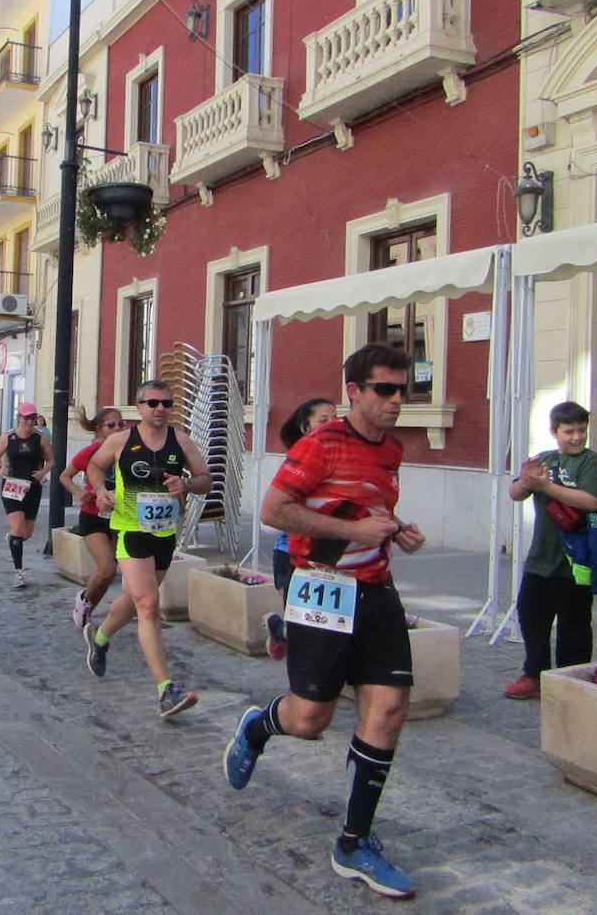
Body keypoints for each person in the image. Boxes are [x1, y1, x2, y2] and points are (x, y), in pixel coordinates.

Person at [222, 344, 426, 899]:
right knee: (311, 720)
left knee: (388, 708)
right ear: (355, 391)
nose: (397, 400)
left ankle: (354, 842)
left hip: (377, 591)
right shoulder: (322, 444)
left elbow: (363, 510)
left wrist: (395, 530)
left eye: (404, 389)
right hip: (323, 590)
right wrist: (353, 535)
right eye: (385, 389)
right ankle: (258, 726)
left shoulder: (393, 449)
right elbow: (274, 511)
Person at [85, 379, 212, 718]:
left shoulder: (181, 442)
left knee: (134, 599)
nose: (160, 409)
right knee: (149, 603)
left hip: (164, 532)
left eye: (166, 404)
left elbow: (206, 479)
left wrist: (185, 483)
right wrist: (101, 491)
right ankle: (165, 690)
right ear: (138, 407)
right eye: (153, 403)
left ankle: (99, 636)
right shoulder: (121, 440)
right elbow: (94, 466)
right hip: (130, 529)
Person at [503, 401, 597, 700]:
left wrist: (546, 487)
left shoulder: (591, 462)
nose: (576, 437)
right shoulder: (545, 460)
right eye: (569, 431)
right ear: (554, 432)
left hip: (578, 561)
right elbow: (515, 493)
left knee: (574, 623)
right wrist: (527, 481)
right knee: (531, 615)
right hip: (541, 558)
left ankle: (571, 680)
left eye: (581, 431)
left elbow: (591, 501)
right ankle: (534, 675)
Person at [265, 397, 338, 660]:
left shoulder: (341, 462)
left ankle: (283, 633)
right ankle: (283, 633)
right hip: (292, 555)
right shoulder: (297, 462)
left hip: (329, 557)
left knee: (323, 629)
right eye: (324, 421)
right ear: (305, 428)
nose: (333, 425)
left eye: (336, 419)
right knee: (303, 630)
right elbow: (272, 513)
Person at [59, 405, 127, 626]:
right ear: (99, 429)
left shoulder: (127, 451)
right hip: (93, 518)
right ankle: (85, 601)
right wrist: (81, 493)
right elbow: (65, 476)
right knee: (107, 568)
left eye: (121, 424)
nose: (118, 428)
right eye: (112, 425)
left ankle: (88, 603)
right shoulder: (91, 452)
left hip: (121, 518)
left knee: (114, 571)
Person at [0, 401, 54, 588]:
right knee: (17, 528)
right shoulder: (8, 437)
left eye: (33, 418)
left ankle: (13, 539)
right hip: (12, 485)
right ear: (19, 418)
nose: (29, 422)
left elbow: (51, 460)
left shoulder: (40, 438)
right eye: (26, 418)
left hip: (33, 486)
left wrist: (43, 472)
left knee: (26, 533)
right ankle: (19, 571)